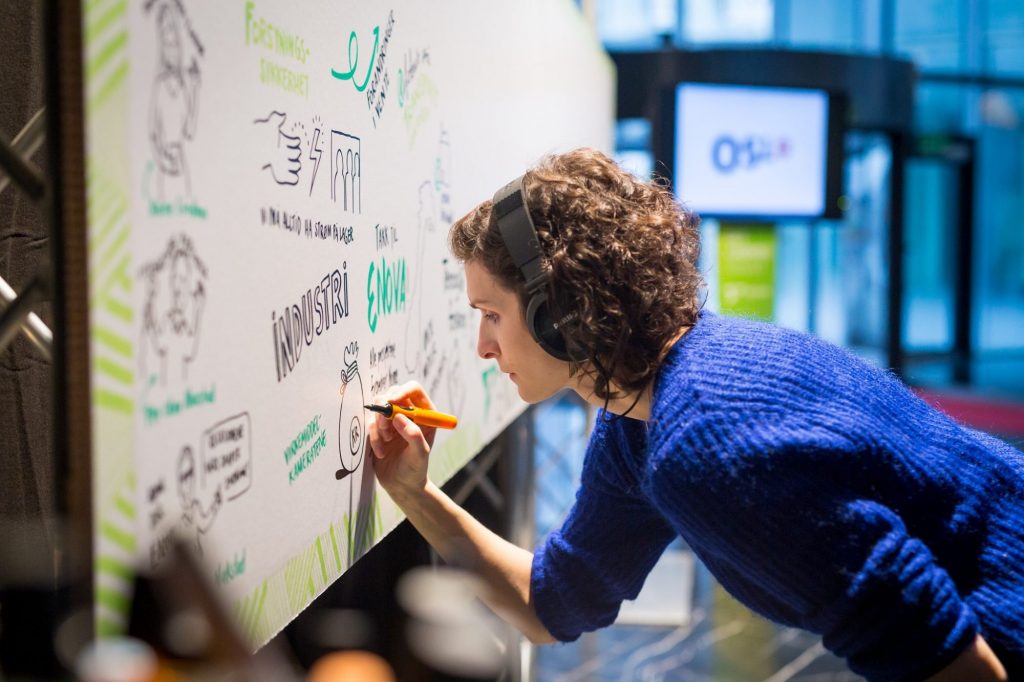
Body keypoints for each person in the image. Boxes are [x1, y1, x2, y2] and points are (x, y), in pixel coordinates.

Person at [367, 148, 1023, 681]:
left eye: (491, 315)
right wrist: (414, 493)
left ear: (559, 314)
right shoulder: (643, 415)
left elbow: (950, 663)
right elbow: (554, 601)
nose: (483, 348)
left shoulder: (706, 442)